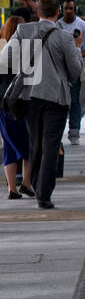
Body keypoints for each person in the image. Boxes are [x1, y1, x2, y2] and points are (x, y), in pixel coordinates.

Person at [3, 0, 82, 209]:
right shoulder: (65, 37)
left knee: (35, 144)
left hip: (29, 98)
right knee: (51, 145)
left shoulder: (23, 31)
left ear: (38, 12)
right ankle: (43, 194)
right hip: (56, 98)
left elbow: (5, 60)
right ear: (57, 13)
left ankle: (37, 185)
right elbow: (75, 72)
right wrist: (76, 49)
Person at [0, 15, 35, 200]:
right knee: (28, 145)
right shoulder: (25, 49)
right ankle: (27, 183)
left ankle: (12, 189)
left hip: (3, 106)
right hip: (21, 104)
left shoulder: (1, 47)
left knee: (9, 148)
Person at [57, 0, 85, 145]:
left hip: (74, 68)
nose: (69, 11)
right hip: (59, 69)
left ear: (75, 9)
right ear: (61, 9)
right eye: (66, 8)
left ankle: (74, 131)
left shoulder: (83, 25)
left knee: (75, 100)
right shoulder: (57, 25)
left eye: (71, 8)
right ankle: (58, 131)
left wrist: (75, 56)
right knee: (59, 101)